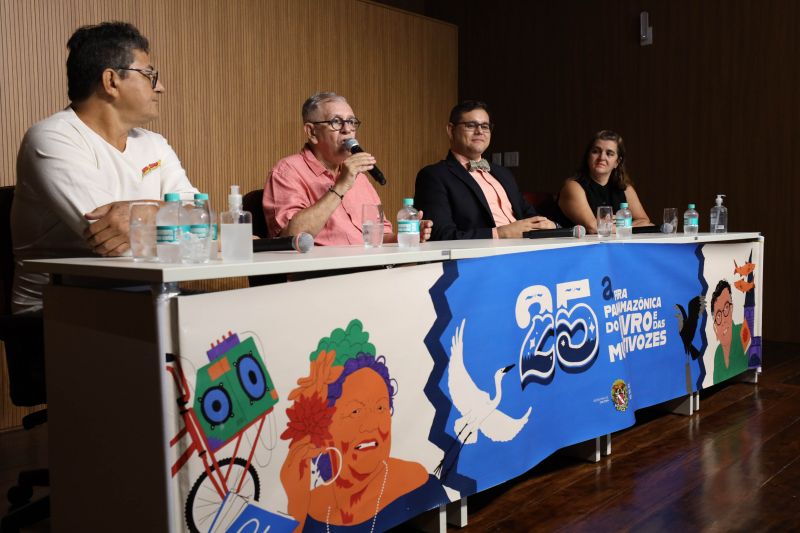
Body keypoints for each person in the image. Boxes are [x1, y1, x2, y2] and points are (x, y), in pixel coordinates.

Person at [11, 21, 196, 314]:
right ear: (111, 81)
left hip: (146, 295)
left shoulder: (154, 143)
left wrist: (147, 212)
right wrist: (179, 220)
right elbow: (114, 244)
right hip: (59, 309)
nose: (160, 86)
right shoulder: (51, 137)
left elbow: (201, 219)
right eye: (150, 74)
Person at [280, 321, 446, 531]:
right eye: (355, 412)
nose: (371, 426)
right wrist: (297, 505)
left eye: (380, 408)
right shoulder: (310, 506)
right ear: (325, 428)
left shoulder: (417, 486)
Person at [263, 92, 432, 245]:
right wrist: (341, 186)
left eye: (351, 122)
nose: (347, 130)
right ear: (312, 132)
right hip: (322, 275)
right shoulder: (287, 171)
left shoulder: (360, 178)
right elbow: (290, 238)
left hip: (367, 271)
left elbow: (379, 238)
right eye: (336, 122)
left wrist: (407, 236)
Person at [415, 100, 556, 240]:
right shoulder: (434, 176)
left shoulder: (503, 173)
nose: (480, 131)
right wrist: (500, 234)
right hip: (481, 258)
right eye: (471, 125)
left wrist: (550, 226)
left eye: (485, 126)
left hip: (526, 249)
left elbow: (529, 214)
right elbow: (441, 236)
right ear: (451, 130)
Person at [558, 130, 650, 233]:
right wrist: (624, 225)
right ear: (588, 157)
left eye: (609, 154)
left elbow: (645, 222)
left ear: (617, 162)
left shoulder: (625, 189)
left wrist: (613, 226)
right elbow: (593, 227)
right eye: (596, 151)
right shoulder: (573, 187)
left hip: (615, 246)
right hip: (577, 247)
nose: (602, 157)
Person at [710, 280, 751, 384]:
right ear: (715, 326)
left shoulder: (742, 333)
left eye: (726, 308)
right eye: (718, 315)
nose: (723, 319)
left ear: (732, 309)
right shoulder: (718, 354)